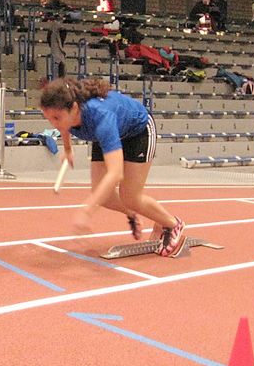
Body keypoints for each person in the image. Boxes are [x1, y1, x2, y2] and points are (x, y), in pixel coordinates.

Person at [40, 77, 186, 257]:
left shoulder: (101, 117)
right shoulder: (67, 114)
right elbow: (64, 127)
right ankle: (132, 212)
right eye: (49, 119)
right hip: (107, 133)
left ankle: (172, 224)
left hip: (138, 131)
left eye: (57, 118)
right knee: (103, 195)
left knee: (130, 196)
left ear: (75, 108)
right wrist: (68, 150)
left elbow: (115, 173)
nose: (54, 123)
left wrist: (87, 210)